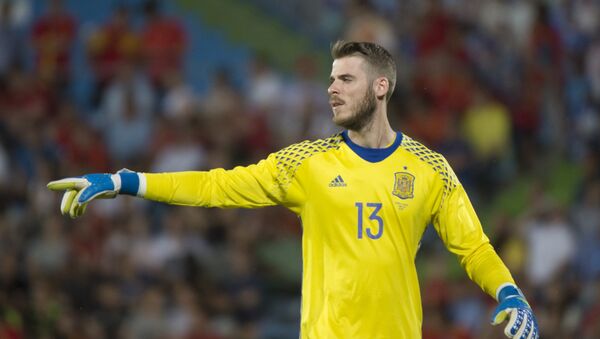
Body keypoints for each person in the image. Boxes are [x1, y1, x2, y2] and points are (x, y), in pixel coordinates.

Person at [47, 41, 539, 339]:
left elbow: (471, 246)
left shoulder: (431, 169)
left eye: (346, 79)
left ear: (382, 87)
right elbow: (219, 186)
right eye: (331, 79)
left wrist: (510, 292)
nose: (332, 88)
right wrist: (125, 181)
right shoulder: (307, 163)